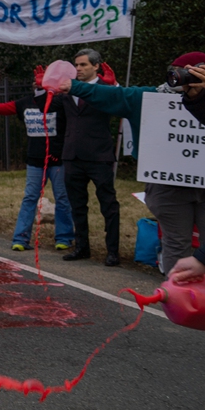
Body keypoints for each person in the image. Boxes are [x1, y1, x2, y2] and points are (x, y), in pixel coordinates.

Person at [55, 51, 205, 275]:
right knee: (176, 244)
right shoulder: (148, 97)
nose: (189, 78)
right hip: (168, 187)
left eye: (198, 72)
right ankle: (179, 300)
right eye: (183, 72)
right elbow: (112, 96)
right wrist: (74, 86)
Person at [0, 66, 73, 252]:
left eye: (42, 81)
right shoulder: (25, 103)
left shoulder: (61, 102)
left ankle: (64, 238)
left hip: (57, 161)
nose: (36, 84)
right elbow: (2, 108)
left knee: (62, 198)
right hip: (34, 160)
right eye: (36, 81)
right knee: (30, 198)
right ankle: (20, 239)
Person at [57, 49, 121, 266]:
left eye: (83, 65)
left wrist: (114, 88)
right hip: (72, 155)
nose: (78, 69)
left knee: (108, 205)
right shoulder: (67, 90)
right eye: (76, 65)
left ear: (96, 66)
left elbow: (120, 104)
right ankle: (82, 247)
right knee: (77, 205)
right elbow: (46, 108)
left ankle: (113, 251)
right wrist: (42, 89)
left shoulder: (105, 89)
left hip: (99, 156)